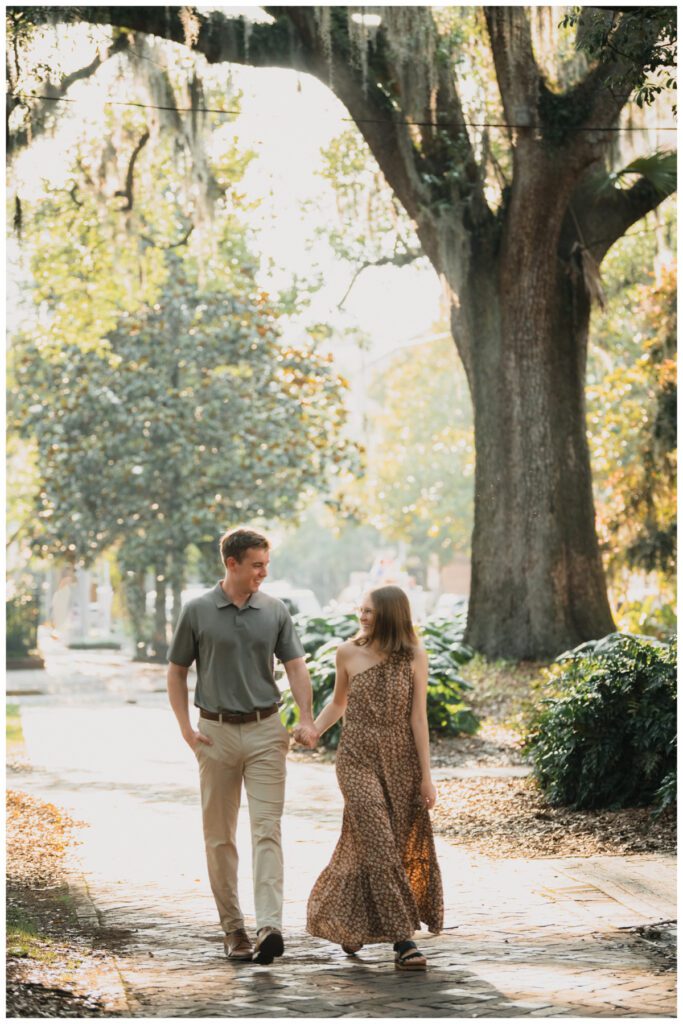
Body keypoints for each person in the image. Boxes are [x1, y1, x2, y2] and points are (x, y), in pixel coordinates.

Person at [167, 528, 317, 965]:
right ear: (231, 564)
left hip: (267, 731)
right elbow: (176, 672)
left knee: (267, 829)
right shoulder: (196, 611)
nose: (263, 573)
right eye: (256, 565)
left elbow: (295, 667)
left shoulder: (275, 611)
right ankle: (233, 929)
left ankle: (269, 925)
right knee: (219, 838)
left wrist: (305, 718)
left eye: (266, 564)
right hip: (214, 733)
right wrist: (184, 728)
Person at [297, 584, 443, 970]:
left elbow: (418, 718)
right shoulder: (347, 652)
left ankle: (352, 922)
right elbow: (339, 702)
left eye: (370, 611)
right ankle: (403, 941)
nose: (361, 617)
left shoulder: (414, 657)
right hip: (356, 759)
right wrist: (315, 729)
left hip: (400, 761)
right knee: (378, 840)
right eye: (360, 610)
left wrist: (426, 776)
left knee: (377, 846)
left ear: (391, 615)